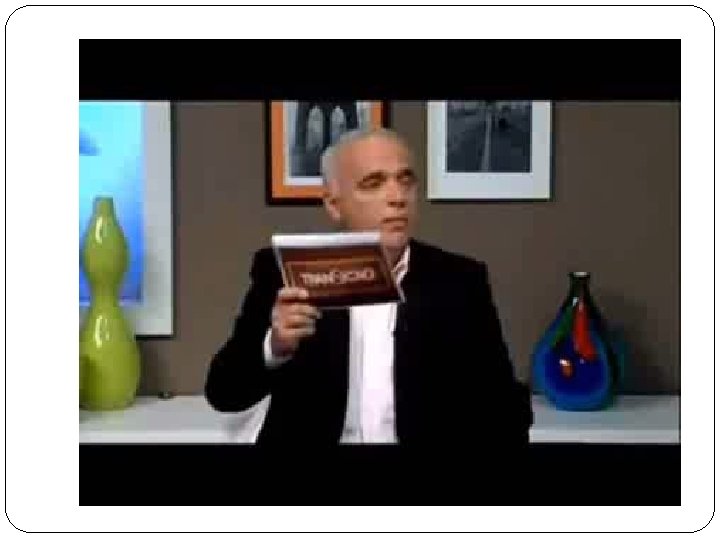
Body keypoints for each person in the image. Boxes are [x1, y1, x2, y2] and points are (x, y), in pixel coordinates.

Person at [204, 127, 533, 454]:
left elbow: (506, 411)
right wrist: (274, 347)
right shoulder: (285, 272)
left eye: (405, 180)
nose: (397, 197)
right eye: (373, 183)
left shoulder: (460, 281)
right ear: (334, 205)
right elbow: (224, 394)